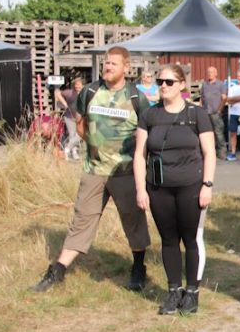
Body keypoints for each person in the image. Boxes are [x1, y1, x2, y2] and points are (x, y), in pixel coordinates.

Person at [32, 46, 151, 293]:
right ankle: (58, 271)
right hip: (94, 170)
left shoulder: (136, 98)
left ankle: (139, 267)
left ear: (126, 67)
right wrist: (97, 146)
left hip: (125, 171)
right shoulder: (90, 91)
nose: (108, 67)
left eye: (113, 63)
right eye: (106, 63)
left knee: (133, 220)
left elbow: (147, 133)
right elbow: (80, 124)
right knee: (82, 219)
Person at [133, 64, 216, 315]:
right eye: (160, 81)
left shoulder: (197, 114)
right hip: (159, 188)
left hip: (191, 186)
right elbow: (140, 155)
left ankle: (192, 293)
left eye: (169, 82)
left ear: (181, 84)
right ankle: (173, 291)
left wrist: (207, 185)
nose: (163, 86)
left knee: (190, 239)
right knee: (168, 240)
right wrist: (141, 189)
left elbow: (209, 152)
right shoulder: (150, 115)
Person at [201, 66, 228, 160]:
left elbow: (224, 98)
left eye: (212, 72)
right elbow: (202, 98)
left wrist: (220, 110)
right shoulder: (204, 84)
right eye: (208, 72)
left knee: (218, 133)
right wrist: (201, 110)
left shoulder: (221, 84)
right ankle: (211, 153)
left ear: (216, 73)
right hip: (206, 113)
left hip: (216, 113)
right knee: (208, 134)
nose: (210, 74)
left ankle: (222, 154)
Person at [55, 76, 85, 161]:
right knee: (72, 135)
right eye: (76, 84)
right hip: (69, 117)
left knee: (79, 135)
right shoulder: (70, 92)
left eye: (79, 84)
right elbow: (57, 92)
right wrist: (64, 103)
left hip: (80, 118)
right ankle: (73, 153)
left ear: (83, 85)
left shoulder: (85, 93)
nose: (77, 86)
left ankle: (67, 149)